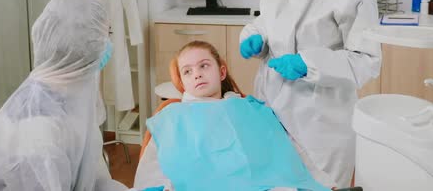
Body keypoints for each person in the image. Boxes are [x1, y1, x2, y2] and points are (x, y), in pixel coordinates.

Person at [241, 0, 382, 188]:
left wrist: (309, 64)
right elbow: (267, 22)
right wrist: (255, 36)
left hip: (320, 121)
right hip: (272, 108)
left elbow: (367, 59)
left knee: (318, 184)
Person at [0, 0, 130, 191]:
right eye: (106, 35)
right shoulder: (36, 129)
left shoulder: (71, 100)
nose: (109, 44)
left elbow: (93, 179)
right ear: (82, 47)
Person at [133, 41, 331, 191]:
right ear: (183, 83)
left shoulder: (250, 109)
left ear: (221, 72)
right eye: (187, 71)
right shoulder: (172, 117)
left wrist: (322, 182)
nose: (197, 74)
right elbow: (151, 173)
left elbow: (289, 152)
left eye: (204, 65)